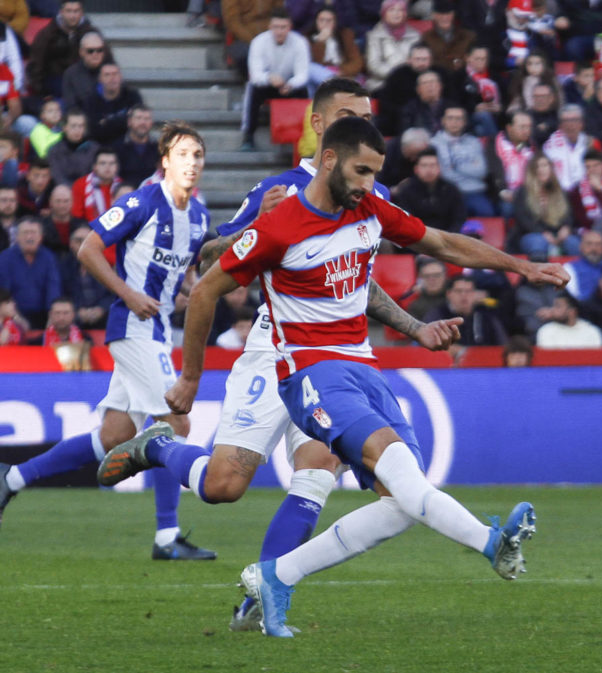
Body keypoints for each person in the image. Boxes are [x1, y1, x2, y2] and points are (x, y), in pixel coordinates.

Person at [140, 116, 566, 637]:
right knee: (244, 482)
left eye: (375, 172)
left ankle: (277, 576)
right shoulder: (281, 224)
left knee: (401, 504)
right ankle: (491, 543)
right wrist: (189, 380)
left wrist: (520, 267)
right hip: (312, 373)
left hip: (363, 368)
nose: (368, 182)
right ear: (327, 159)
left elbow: (441, 243)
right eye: (361, 170)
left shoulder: (368, 208)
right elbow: (206, 287)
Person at [96, 82, 472, 631]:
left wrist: (414, 327)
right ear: (320, 129)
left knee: (316, 473)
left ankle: (262, 591)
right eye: (348, 117)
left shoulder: (372, 197)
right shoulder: (277, 189)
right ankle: (159, 447)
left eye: (367, 118)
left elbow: (359, 283)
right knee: (224, 485)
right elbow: (208, 258)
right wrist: (254, 226)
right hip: (276, 351)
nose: (360, 128)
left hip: (339, 359)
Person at [0, 121, 216, 560]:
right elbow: (89, 249)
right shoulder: (142, 201)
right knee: (175, 422)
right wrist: (129, 294)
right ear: (164, 161)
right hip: (133, 328)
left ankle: (11, 478)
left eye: (197, 156)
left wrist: (190, 288)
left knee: (114, 434)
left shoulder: (199, 215)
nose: (191, 164)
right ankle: (166, 538)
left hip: (156, 329)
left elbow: (185, 274)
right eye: (182, 155)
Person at [239, 9, 310, 151]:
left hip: (288, 84)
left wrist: (290, 84)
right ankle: (248, 134)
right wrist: (269, 78)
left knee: (304, 91)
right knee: (252, 88)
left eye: (283, 27)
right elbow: (255, 74)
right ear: (269, 27)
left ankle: (304, 137)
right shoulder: (258, 42)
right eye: (276, 27)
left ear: (290, 27)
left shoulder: (300, 42)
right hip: (266, 84)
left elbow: (303, 74)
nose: (279, 31)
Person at [28, 0, 101, 98]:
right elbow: (36, 63)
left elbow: (105, 59)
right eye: (69, 11)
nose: (72, 16)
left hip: (84, 78)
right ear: (61, 12)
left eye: (76, 11)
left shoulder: (91, 32)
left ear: (82, 12)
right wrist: (40, 91)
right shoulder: (48, 34)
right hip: (55, 81)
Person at [429, 106, 493, 217]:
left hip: (474, 191)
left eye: (458, 119)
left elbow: (481, 171)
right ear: (443, 121)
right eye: (450, 118)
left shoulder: (474, 142)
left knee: (487, 213)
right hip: (446, 192)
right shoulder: (433, 143)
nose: (454, 122)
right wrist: (470, 166)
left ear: (464, 122)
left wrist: (456, 165)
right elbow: (444, 174)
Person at [512, 152, 577, 258]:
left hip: (558, 234)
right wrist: (542, 233)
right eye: (537, 166)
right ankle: (541, 274)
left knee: (574, 243)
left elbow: (569, 215)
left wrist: (566, 228)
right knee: (538, 242)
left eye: (545, 165)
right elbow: (522, 219)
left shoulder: (560, 191)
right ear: (532, 170)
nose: (541, 169)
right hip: (533, 234)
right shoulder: (523, 192)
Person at [0, 216, 61, 328]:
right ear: (17, 237)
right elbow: (4, 293)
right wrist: (16, 318)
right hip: (14, 314)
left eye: (33, 233)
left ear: (41, 237)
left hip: (44, 314)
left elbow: (53, 289)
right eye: (25, 233)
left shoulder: (49, 258)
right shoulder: (5, 258)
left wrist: (53, 317)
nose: (29, 237)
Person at [391, 147, 467, 233]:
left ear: (439, 168)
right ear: (416, 169)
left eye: (432, 165)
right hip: (417, 238)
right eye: (424, 165)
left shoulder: (451, 190)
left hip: (447, 238)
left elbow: (459, 218)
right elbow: (406, 219)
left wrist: (450, 236)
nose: (428, 170)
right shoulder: (406, 191)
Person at [423, 274, 507, 348]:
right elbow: (428, 343)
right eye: (459, 291)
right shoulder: (437, 315)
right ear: (449, 294)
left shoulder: (486, 316)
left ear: (474, 294)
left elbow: (502, 344)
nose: (464, 295)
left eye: (468, 291)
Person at [305, 7, 363, 97]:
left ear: (335, 22)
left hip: (342, 73)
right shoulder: (307, 38)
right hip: (321, 76)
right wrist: (321, 42)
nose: (325, 24)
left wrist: (342, 71)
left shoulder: (345, 35)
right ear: (316, 22)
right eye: (321, 20)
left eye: (329, 21)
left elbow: (356, 61)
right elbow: (315, 63)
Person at [81, 62, 143, 145]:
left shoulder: (132, 96)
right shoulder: (91, 101)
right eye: (107, 75)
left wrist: (106, 122)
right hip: (99, 148)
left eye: (115, 74)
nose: (112, 78)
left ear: (120, 77)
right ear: (100, 79)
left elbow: (138, 124)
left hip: (128, 146)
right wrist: (123, 119)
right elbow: (94, 131)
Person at [364, 0, 420, 92]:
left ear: (405, 14)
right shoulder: (374, 36)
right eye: (391, 10)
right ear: (384, 13)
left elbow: (417, 63)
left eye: (400, 10)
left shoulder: (415, 36)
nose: (396, 14)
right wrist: (397, 75)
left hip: (410, 82)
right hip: (382, 83)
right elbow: (373, 66)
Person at [543, 104, 600, 192]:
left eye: (574, 120)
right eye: (566, 121)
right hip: (560, 195)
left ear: (581, 124)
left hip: (588, 193)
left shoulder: (591, 144)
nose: (570, 125)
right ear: (560, 125)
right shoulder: (549, 147)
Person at [61, 31, 110, 114]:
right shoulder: (71, 74)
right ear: (81, 52)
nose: (95, 54)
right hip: (81, 122)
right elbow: (71, 107)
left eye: (100, 50)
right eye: (90, 51)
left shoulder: (111, 71)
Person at [421, 0, 476, 73]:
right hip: (437, 79)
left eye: (448, 13)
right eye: (441, 14)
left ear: (453, 14)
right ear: (433, 15)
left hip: (463, 79)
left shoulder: (468, 36)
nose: (445, 17)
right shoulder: (426, 38)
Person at [535, 291, 602, 347]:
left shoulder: (591, 332)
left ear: (572, 311)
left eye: (558, 306)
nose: (553, 310)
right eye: (554, 306)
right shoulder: (546, 331)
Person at [47, 109, 97, 186]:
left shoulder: (94, 149)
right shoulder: (54, 150)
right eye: (73, 126)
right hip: (64, 193)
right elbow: (57, 177)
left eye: (81, 126)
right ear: (64, 127)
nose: (77, 130)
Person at [113, 105, 159, 188]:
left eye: (146, 119)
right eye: (138, 118)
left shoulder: (159, 147)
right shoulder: (116, 147)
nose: (142, 122)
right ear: (129, 122)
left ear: (151, 123)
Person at [71, 147, 120, 222]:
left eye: (112, 163)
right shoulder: (81, 185)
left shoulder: (121, 186)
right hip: (88, 229)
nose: (107, 167)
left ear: (117, 167)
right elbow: (77, 216)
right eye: (102, 163)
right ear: (95, 167)